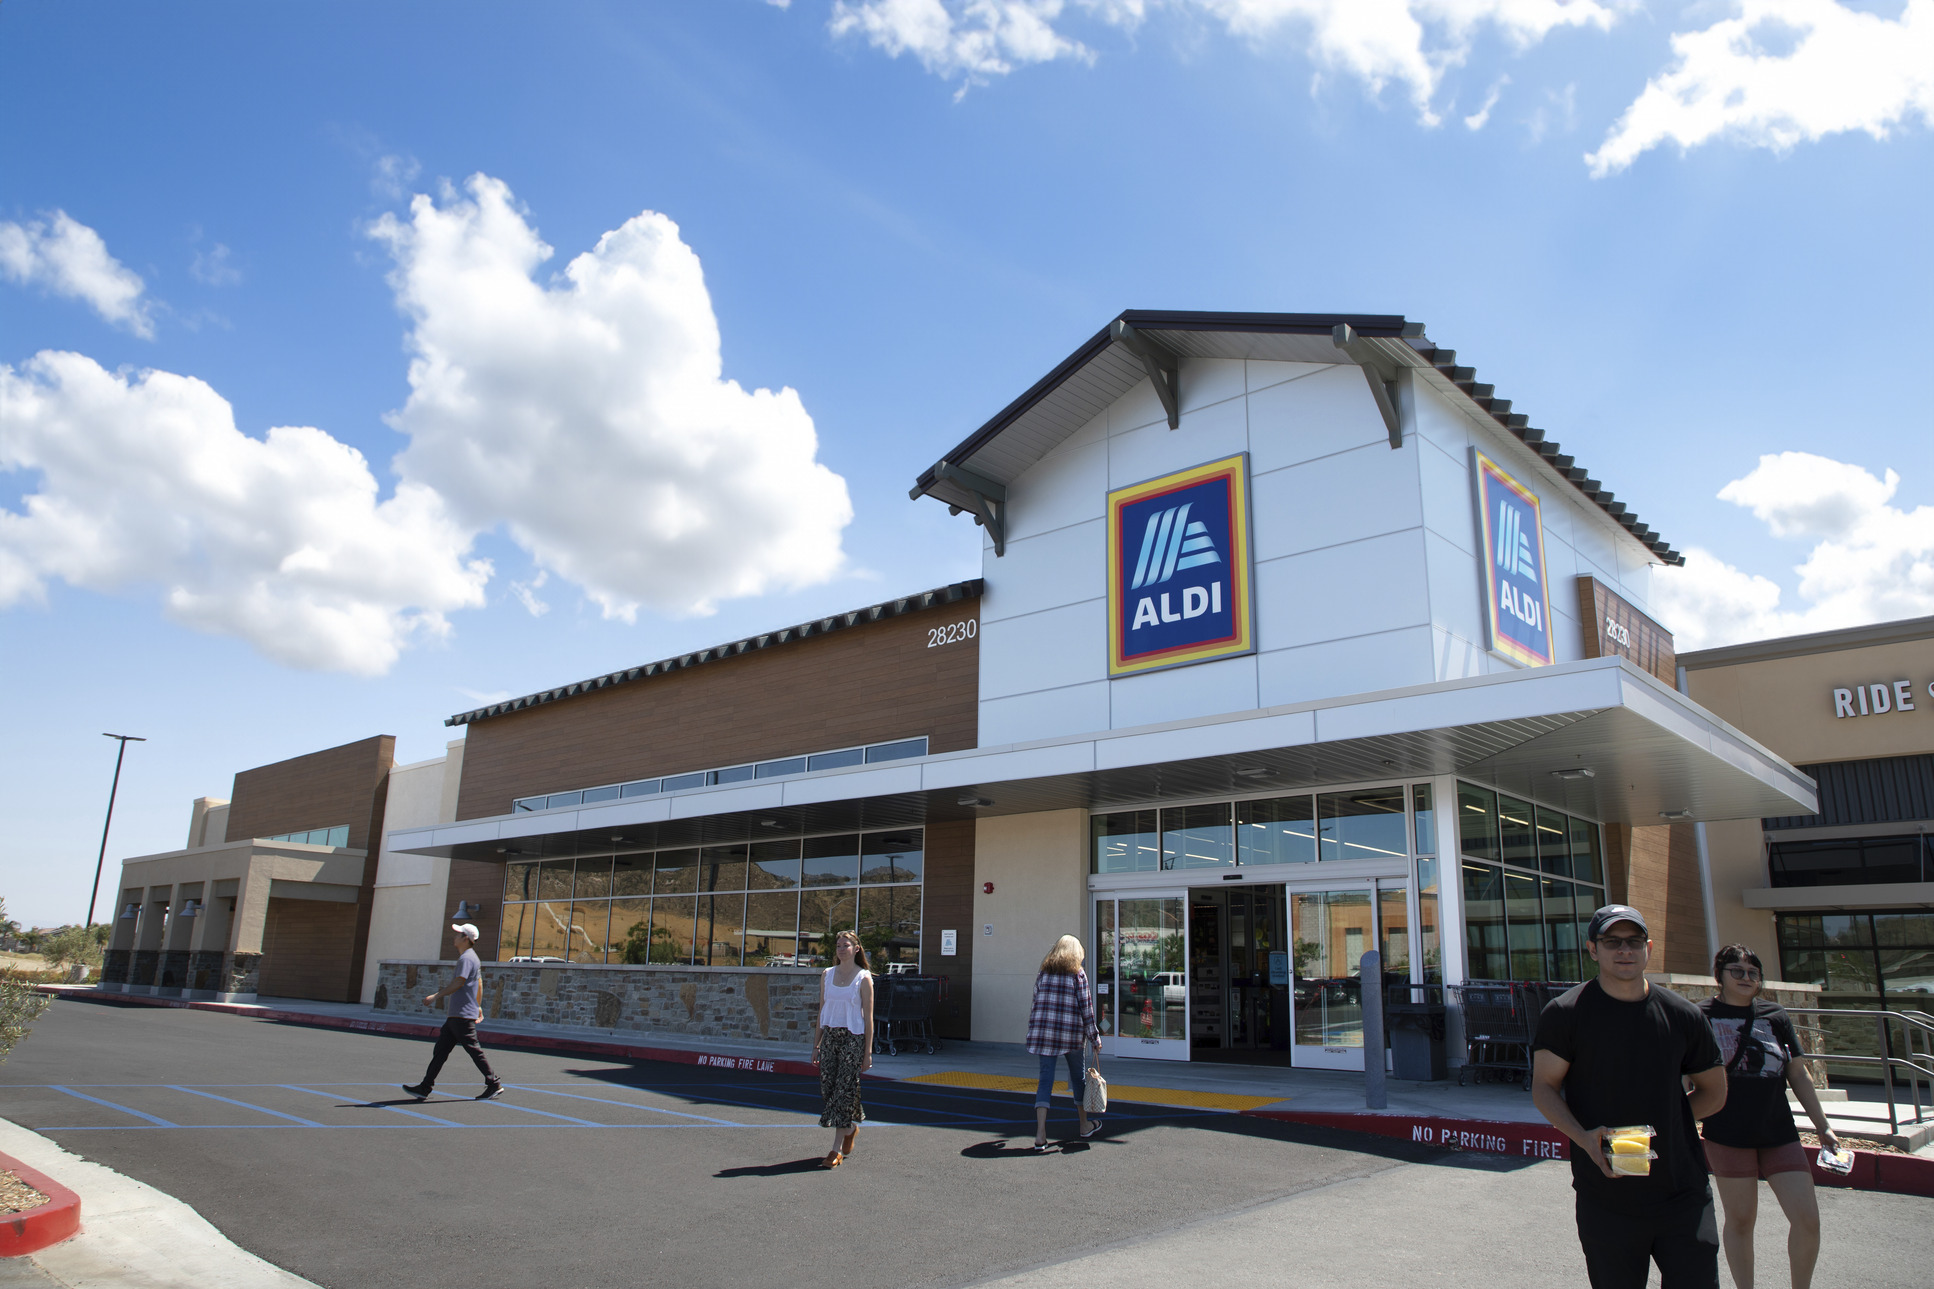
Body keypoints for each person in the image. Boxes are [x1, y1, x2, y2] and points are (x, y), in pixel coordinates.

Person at [1531, 904, 1727, 1289]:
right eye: (1612, 942)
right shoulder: (1565, 1014)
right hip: (1607, 1197)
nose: (1625, 950)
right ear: (1592, 949)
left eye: (1634, 941)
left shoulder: (1683, 1015)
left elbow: (1714, 1092)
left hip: (1682, 1193)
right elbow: (1544, 1087)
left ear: (1648, 948)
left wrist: (1671, 1118)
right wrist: (1584, 1137)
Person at [1699, 943, 1839, 1289]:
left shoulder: (1775, 1016)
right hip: (1727, 1133)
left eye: (1753, 973)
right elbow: (1684, 1074)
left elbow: (1799, 1074)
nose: (1746, 978)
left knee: (1807, 1219)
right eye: (1737, 971)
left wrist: (1823, 1127)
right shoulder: (1699, 1015)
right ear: (1720, 976)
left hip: (1778, 1131)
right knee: (1742, 1220)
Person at [402, 923, 504, 1101]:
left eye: (458, 934)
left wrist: (436, 996)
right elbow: (478, 983)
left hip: (461, 1016)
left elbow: (459, 982)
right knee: (441, 1051)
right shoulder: (471, 957)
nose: (454, 937)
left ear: (466, 938)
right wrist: (478, 1006)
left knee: (473, 1050)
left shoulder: (467, 958)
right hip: (457, 1015)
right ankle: (424, 1087)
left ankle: (493, 1083)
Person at [1024, 933, 1100, 1152]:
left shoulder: (1043, 974)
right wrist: (1094, 1037)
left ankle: (1040, 1134)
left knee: (1045, 1080)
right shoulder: (1077, 973)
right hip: (1071, 1034)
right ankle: (1085, 1125)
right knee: (1078, 1079)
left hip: (1045, 1034)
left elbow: (1035, 1003)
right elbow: (1087, 1008)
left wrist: (1033, 1031)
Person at [810, 930, 874, 1169]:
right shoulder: (827, 975)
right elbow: (821, 1011)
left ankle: (834, 1150)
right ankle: (849, 1128)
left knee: (843, 1090)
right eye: (838, 945)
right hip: (830, 1037)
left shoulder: (863, 978)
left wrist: (867, 1052)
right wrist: (816, 1045)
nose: (841, 948)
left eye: (845, 945)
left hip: (853, 1039)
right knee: (828, 1088)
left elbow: (868, 1019)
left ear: (856, 949)